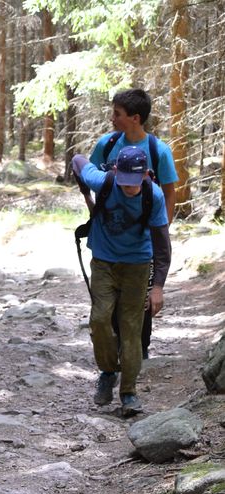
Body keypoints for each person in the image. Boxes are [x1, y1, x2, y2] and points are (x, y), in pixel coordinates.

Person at [72, 146, 171, 417]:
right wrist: (86, 196)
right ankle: (107, 372)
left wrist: (158, 287)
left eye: (134, 183)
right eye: (124, 182)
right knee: (99, 319)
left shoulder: (154, 196)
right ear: (116, 172)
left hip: (137, 266)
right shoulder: (102, 181)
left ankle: (128, 392)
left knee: (131, 328)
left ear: (145, 175)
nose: (129, 188)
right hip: (103, 262)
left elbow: (162, 245)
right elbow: (77, 160)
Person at [89, 88, 178, 359]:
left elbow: (169, 192)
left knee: (141, 303)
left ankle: (139, 351)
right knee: (109, 302)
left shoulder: (158, 151)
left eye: (117, 114)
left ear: (135, 118)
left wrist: (162, 227)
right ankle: (114, 355)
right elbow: (90, 177)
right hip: (109, 238)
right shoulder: (106, 145)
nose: (112, 118)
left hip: (143, 241)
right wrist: (94, 211)